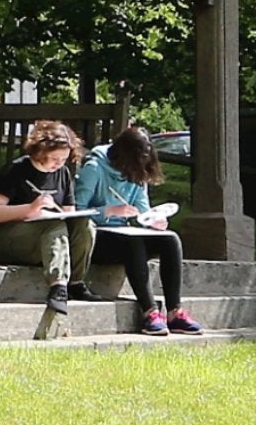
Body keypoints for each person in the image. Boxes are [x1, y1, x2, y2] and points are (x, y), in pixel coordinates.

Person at [75, 124, 203, 335]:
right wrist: (109, 211)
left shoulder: (138, 172)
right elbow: (77, 209)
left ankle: (174, 311)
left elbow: (142, 209)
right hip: (95, 237)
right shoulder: (94, 168)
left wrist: (153, 220)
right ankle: (149, 311)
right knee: (133, 243)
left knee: (170, 239)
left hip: (124, 233)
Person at [0, 119, 99, 341]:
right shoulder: (17, 169)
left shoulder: (63, 174)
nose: (58, 164)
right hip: (6, 238)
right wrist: (30, 208)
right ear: (41, 150)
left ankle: (75, 282)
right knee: (53, 225)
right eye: (54, 158)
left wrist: (66, 215)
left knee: (84, 225)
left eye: (63, 159)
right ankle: (58, 286)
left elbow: (69, 214)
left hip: (46, 238)